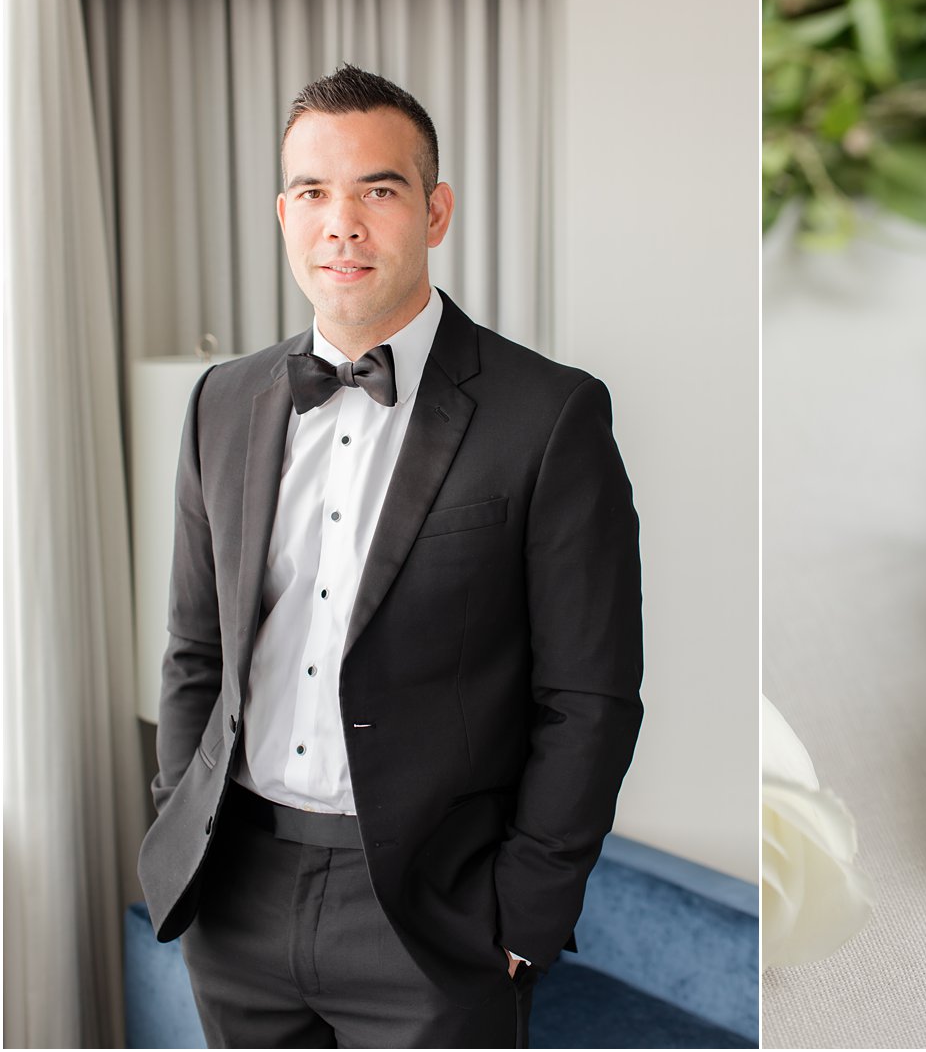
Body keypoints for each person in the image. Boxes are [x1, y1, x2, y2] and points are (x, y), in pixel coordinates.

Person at [137, 64, 644, 1048]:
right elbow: (194, 651)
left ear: (435, 209)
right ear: (284, 213)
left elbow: (588, 693)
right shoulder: (221, 403)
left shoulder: (549, 415)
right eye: (315, 193)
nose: (344, 223)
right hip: (236, 891)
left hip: (432, 913)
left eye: (378, 188)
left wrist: (524, 910)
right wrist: (178, 819)